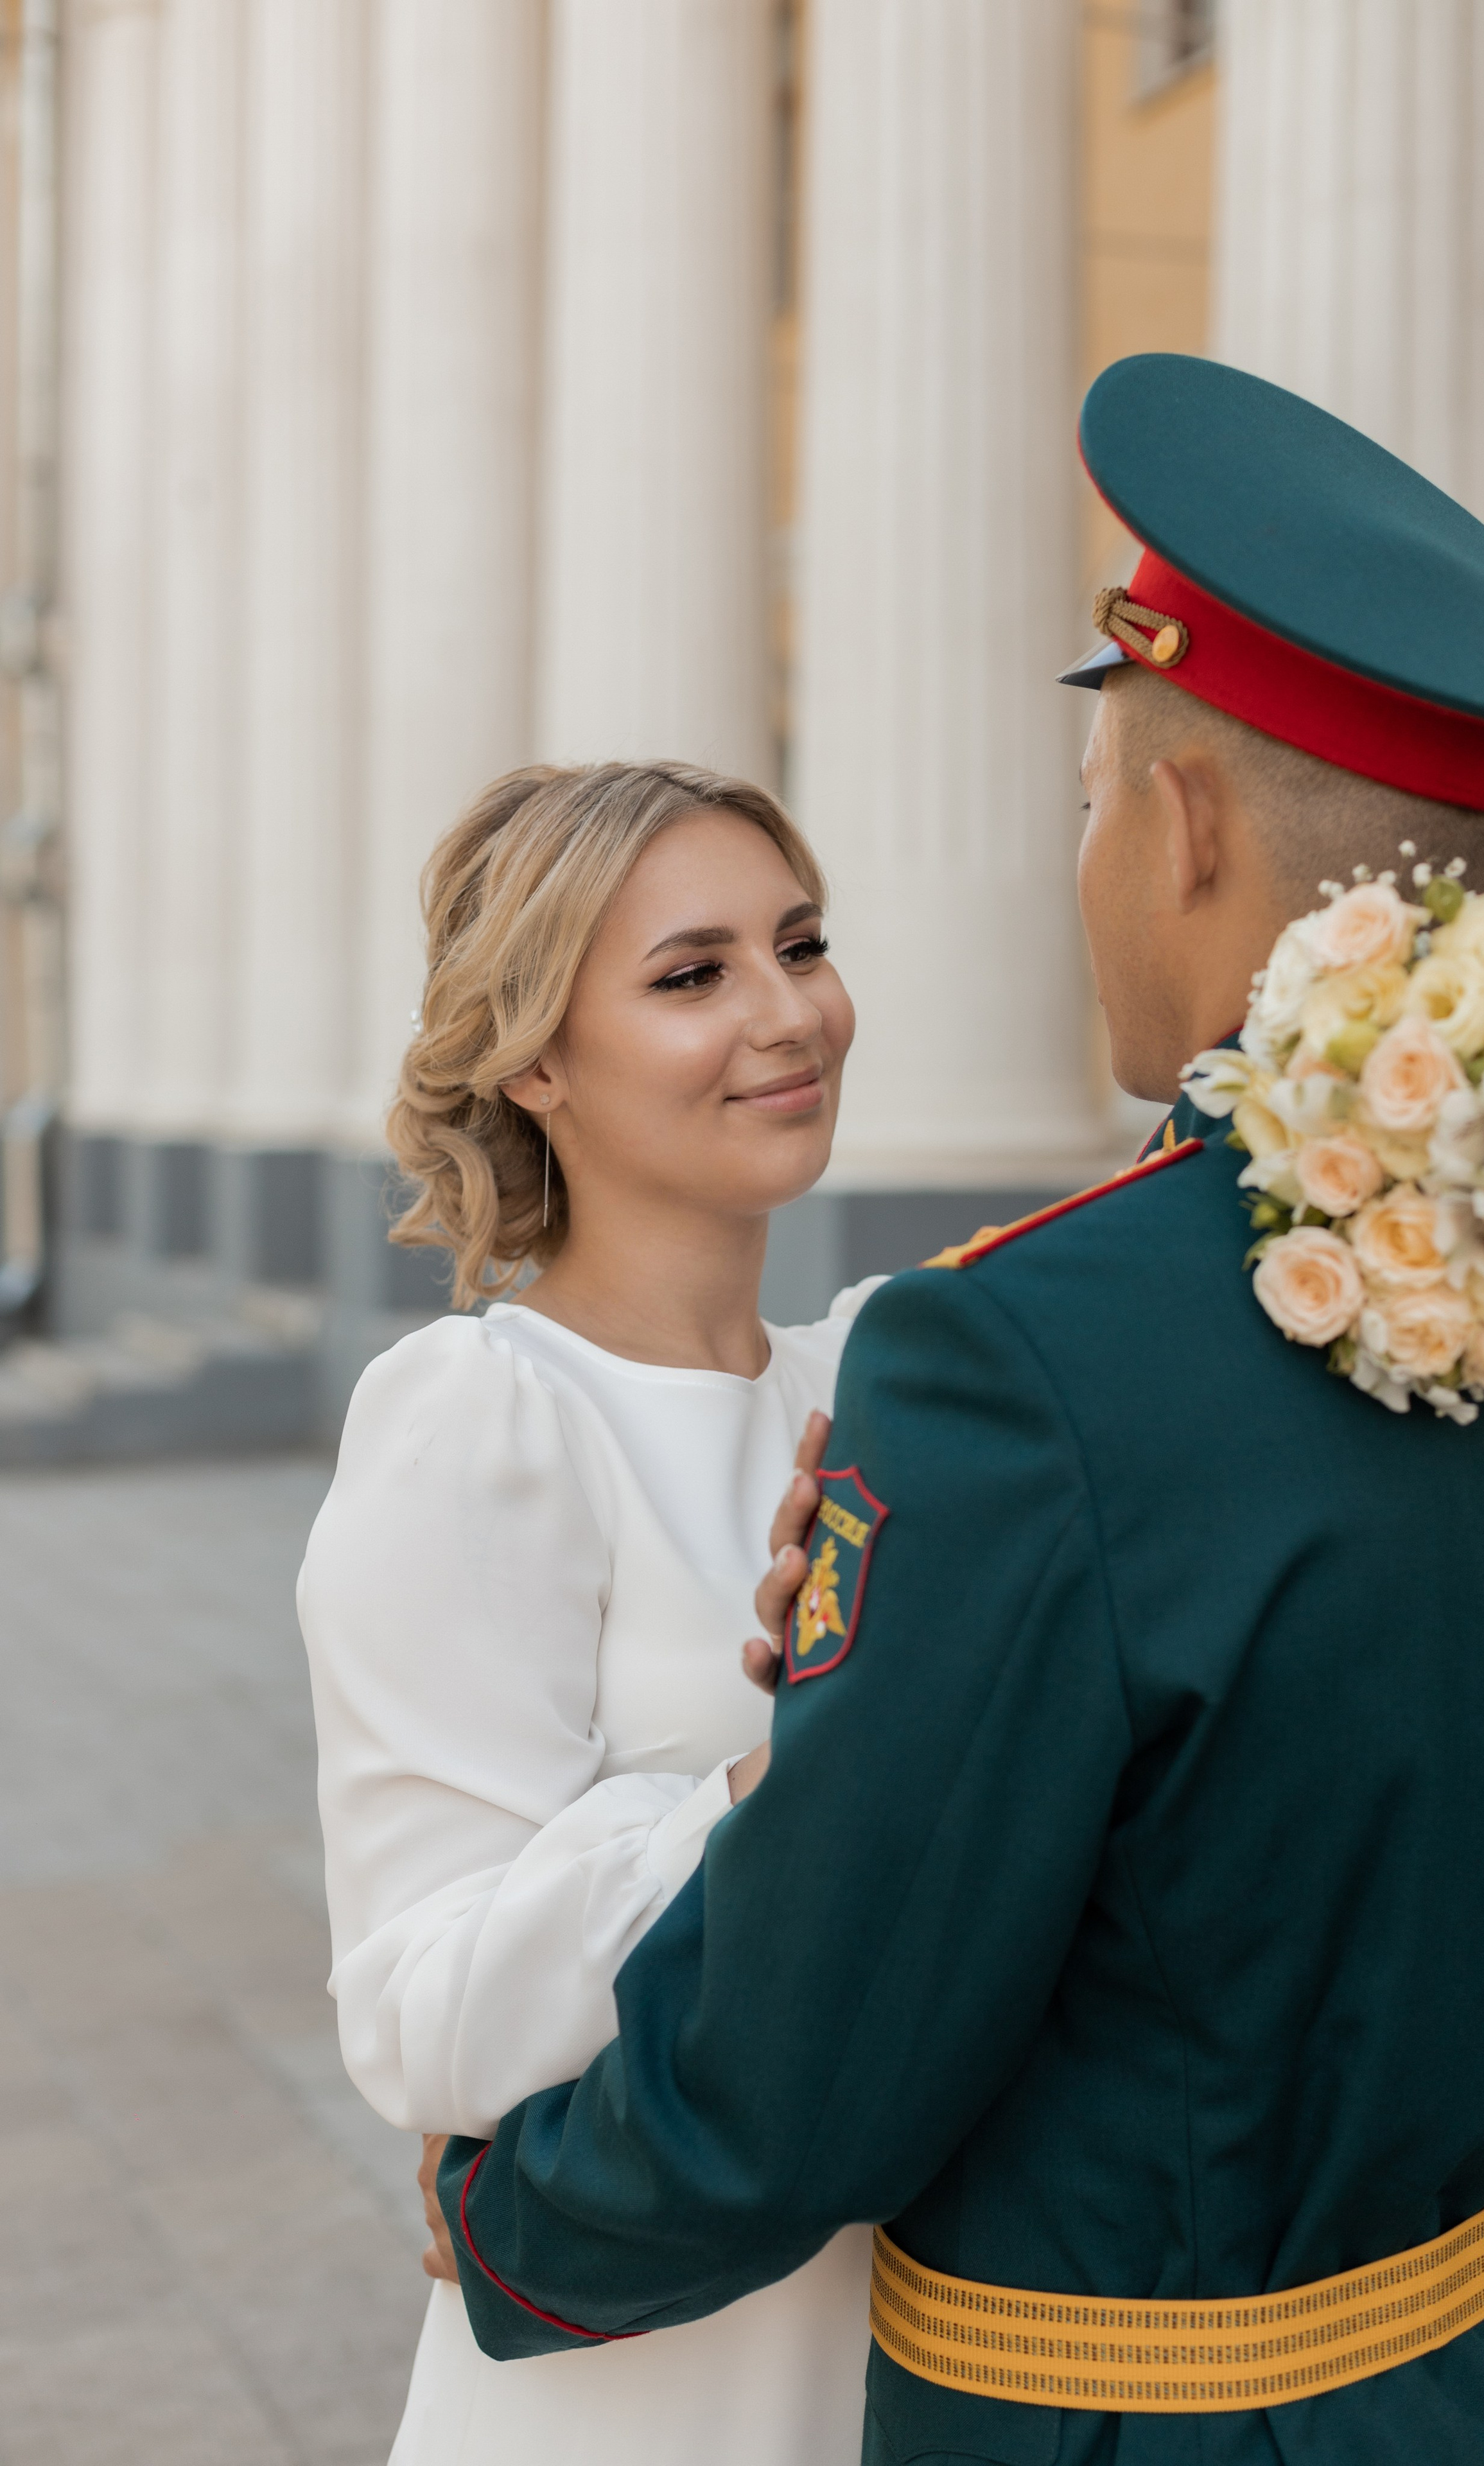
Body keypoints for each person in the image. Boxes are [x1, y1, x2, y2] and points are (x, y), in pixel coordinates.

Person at [431, 358, 1484, 2463]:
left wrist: (518, 2219)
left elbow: (820, 2044)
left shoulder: (1017, 1355)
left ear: (1176, 826)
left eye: (1092, 801)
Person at [298, 760, 880, 2466]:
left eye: (803, 943)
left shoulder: (888, 1378)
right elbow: (423, 2016)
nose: (790, 1015)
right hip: (647, 2368)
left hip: (918, 2323)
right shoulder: (483, 1417)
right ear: (536, 1058)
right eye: (693, 975)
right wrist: (788, 1792)